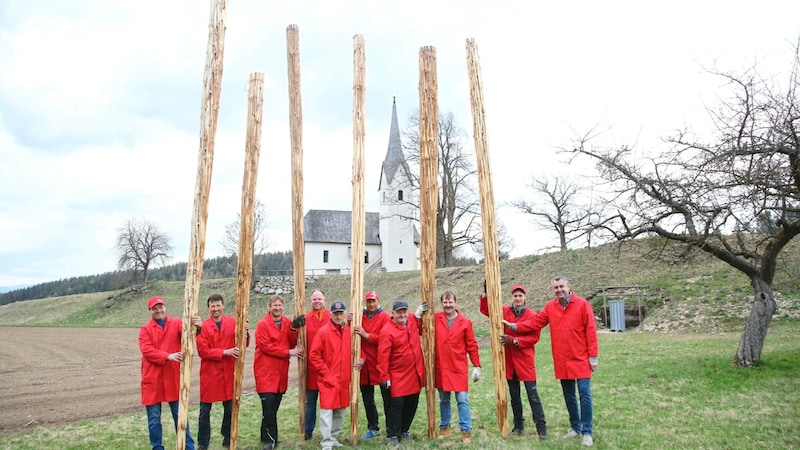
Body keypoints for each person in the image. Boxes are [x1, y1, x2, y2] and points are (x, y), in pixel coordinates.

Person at [515, 276, 598, 447]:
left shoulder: (582, 304)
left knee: (584, 394)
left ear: (569, 287)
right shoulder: (550, 307)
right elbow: (535, 323)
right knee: (569, 396)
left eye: (561, 286)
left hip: (581, 358)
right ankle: (575, 427)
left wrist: (593, 357)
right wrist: (515, 326)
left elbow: (591, 330)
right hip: (562, 359)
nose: (559, 290)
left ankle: (587, 431)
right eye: (555, 287)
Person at [480, 283, 548, 440]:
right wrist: (486, 293)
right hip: (509, 362)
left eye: (520, 296)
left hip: (525, 361)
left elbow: (534, 337)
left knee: (533, 395)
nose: (517, 298)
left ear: (525, 297)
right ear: (512, 297)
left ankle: (542, 429)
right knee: (514, 396)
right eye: (515, 296)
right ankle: (518, 426)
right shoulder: (505, 311)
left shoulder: (532, 315)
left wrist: (515, 341)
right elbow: (487, 310)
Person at [138, 295, 196, 450]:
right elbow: (147, 351)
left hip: (173, 377)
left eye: (161, 307)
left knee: (180, 415)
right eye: (155, 308)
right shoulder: (145, 330)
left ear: (165, 307)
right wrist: (167, 356)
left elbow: (189, 335)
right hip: (153, 379)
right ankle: (157, 447)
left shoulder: (176, 323)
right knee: (154, 419)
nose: (159, 310)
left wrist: (198, 326)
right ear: (150, 310)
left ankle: (188, 446)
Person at [195, 293, 249, 450]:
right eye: (213, 306)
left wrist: (245, 332)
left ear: (223, 306)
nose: (216, 309)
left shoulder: (233, 322)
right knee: (204, 411)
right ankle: (203, 443)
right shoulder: (203, 326)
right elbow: (203, 351)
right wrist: (225, 352)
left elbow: (242, 344)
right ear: (208, 308)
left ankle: (227, 437)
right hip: (210, 375)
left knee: (229, 409)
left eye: (218, 305)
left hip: (228, 373)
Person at [253, 295, 306, 450]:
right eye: (274, 305)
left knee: (273, 407)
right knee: (268, 407)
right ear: (269, 307)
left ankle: (264, 435)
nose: (277, 308)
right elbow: (266, 347)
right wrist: (288, 352)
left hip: (280, 372)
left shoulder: (287, 322)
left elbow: (291, 341)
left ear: (283, 307)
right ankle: (271, 440)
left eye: (279, 305)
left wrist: (294, 329)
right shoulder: (262, 324)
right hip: (265, 371)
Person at [377, 299, 428, 446]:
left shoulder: (410, 319)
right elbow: (382, 356)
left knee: (412, 402)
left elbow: (415, 318)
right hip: (397, 375)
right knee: (396, 405)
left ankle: (405, 430)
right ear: (392, 314)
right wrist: (384, 377)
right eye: (399, 312)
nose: (402, 315)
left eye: (404, 311)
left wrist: (418, 312)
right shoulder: (387, 331)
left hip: (413, 373)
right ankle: (393, 434)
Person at [434, 290, 482, 444]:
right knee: (443, 400)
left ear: (455, 303)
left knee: (462, 400)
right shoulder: (435, 319)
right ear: (442, 303)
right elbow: (420, 326)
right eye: (445, 302)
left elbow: (472, 345)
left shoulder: (465, 322)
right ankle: (444, 427)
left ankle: (466, 430)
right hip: (441, 366)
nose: (448, 305)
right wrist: (418, 313)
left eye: (450, 302)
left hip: (458, 366)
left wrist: (477, 366)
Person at [309, 301, 356, 450]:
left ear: (345, 314)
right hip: (328, 379)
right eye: (336, 314)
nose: (338, 316)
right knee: (327, 412)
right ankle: (326, 442)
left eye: (341, 313)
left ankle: (334, 437)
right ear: (331, 314)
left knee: (340, 411)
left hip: (343, 379)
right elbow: (314, 355)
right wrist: (326, 373)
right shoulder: (323, 332)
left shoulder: (348, 331)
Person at [352, 290, 391, 439]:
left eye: (373, 301)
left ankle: (391, 429)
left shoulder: (385, 317)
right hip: (364, 365)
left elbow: (385, 338)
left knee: (387, 399)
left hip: (380, 363)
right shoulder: (359, 315)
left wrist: (366, 335)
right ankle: (373, 427)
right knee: (368, 400)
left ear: (378, 301)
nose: (371, 304)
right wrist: (348, 319)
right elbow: (352, 333)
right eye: (368, 301)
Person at [304, 289, 331, 439]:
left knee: (327, 403)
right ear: (310, 301)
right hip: (311, 367)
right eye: (314, 299)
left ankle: (327, 433)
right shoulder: (306, 318)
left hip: (328, 366)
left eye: (319, 299)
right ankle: (308, 430)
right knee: (310, 402)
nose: (317, 301)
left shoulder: (332, 317)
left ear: (324, 300)